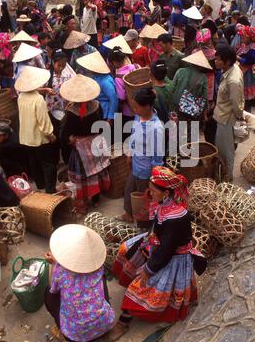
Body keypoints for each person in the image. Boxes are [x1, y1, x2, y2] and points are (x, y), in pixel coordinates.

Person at [107, 166, 200, 341]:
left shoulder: (176, 218)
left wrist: (149, 269)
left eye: (152, 189)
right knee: (126, 250)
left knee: (140, 286)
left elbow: (166, 251)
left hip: (172, 256)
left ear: (165, 192)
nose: (149, 192)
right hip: (159, 243)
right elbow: (158, 229)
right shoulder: (164, 204)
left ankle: (123, 322)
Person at [44, 224, 115, 342]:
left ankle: (62, 331)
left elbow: (53, 290)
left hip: (75, 336)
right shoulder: (98, 267)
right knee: (101, 283)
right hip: (105, 324)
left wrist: (54, 265)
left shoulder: (60, 270)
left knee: (48, 293)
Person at [60, 75, 110, 213]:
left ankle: (85, 199)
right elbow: (101, 124)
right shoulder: (96, 106)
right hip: (96, 142)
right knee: (97, 170)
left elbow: (65, 133)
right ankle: (96, 198)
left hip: (81, 147)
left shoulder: (71, 112)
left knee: (84, 174)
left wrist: (69, 140)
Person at [116, 88, 164, 224]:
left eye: (137, 107)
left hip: (146, 171)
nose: (134, 109)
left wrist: (153, 178)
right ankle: (128, 214)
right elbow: (133, 135)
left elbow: (157, 157)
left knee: (144, 199)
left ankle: (144, 225)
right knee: (129, 190)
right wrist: (130, 154)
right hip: (136, 164)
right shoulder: (139, 116)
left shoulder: (156, 128)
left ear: (148, 107)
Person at [15, 66, 58, 194]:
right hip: (40, 138)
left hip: (26, 137)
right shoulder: (38, 99)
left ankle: (40, 186)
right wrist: (51, 135)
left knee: (35, 163)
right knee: (48, 165)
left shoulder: (21, 97)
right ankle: (50, 190)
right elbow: (44, 123)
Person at [213, 46, 244, 182]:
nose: (215, 61)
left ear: (227, 62)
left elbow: (236, 104)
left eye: (219, 59)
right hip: (222, 114)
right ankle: (222, 174)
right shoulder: (231, 69)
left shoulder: (233, 80)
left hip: (226, 119)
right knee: (222, 149)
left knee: (226, 151)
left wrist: (239, 117)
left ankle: (228, 178)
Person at [76, 51, 118, 127]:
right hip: (99, 110)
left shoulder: (105, 81)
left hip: (105, 112)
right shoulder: (96, 77)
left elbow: (114, 99)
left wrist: (110, 117)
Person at [236, 25, 255, 112]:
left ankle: (246, 110)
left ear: (250, 38)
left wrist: (239, 58)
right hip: (241, 69)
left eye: (243, 37)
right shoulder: (244, 45)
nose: (242, 39)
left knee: (246, 89)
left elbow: (251, 60)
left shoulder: (253, 47)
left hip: (247, 71)